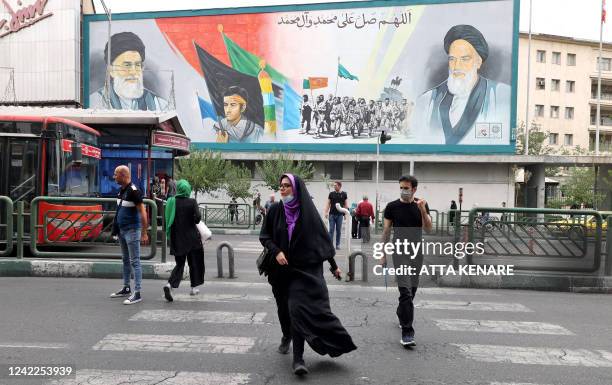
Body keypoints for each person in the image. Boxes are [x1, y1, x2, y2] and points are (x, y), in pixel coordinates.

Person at [260, 173, 357, 375]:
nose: (282, 189)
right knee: (283, 309)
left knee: (297, 311)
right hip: (280, 271)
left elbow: (321, 240)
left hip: (303, 271)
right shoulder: (276, 210)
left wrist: (333, 265)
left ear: (296, 189)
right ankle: (286, 334)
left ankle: (298, 359)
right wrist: (276, 251)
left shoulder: (307, 212)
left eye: (287, 186)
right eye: (281, 186)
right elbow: (265, 236)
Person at [411, 24, 511, 145]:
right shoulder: (427, 100)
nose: (457, 66)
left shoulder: (501, 95)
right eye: (452, 59)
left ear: (478, 62)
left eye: (465, 59)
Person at [381, 175, 432, 347]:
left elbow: (429, 229)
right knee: (406, 291)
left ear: (414, 189)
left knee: (413, 290)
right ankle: (407, 332)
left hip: (416, 252)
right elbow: (386, 231)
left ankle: (401, 311)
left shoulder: (421, 205)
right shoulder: (392, 207)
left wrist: (423, 210)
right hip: (399, 251)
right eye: (401, 187)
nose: (403, 190)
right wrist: (383, 253)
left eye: (406, 188)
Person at [90, 32, 168, 111]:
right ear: (111, 70)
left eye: (137, 65)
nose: (133, 72)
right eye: (127, 65)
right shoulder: (96, 103)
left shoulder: (159, 105)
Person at [110, 165, 149, 305]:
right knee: (125, 260)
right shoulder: (121, 190)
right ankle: (126, 287)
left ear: (123, 175)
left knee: (135, 262)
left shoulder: (134, 191)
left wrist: (144, 233)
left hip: (132, 230)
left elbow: (143, 213)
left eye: (116, 174)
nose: (114, 177)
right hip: (122, 231)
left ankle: (137, 293)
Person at [163, 179, 205, 301]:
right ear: (188, 190)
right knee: (195, 263)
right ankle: (193, 288)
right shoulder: (192, 202)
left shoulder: (171, 201)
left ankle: (169, 285)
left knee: (180, 264)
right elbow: (197, 219)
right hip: (192, 238)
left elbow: (167, 220)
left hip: (177, 238)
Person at [324, 181, 348, 250]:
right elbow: (328, 203)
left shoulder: (344, 194)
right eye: (334, 186)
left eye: (336, 185)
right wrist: (326, 212)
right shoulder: (331, 194)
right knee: (331, 230)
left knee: (338, 230)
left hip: (340, 215)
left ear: (340, 186)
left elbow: (345, 205)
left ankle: (337, 245)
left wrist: (345, 214)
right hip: (332, 214)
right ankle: (330, 245)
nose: (334, 186)